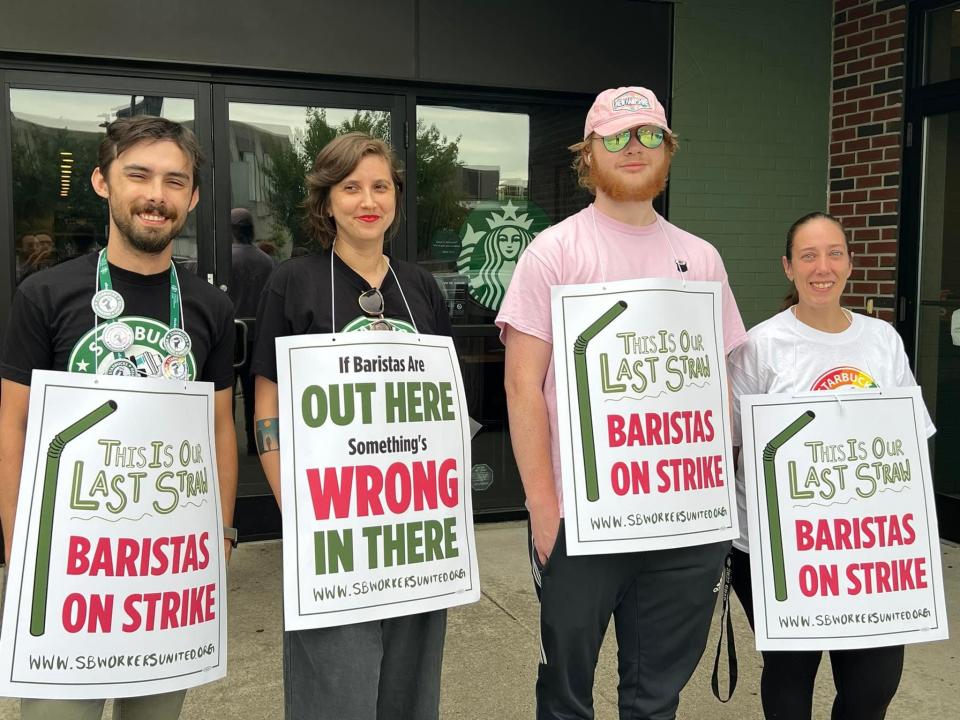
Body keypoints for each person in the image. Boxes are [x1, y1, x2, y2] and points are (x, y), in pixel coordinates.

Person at [496, 86, 748, 719]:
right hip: (584, 521)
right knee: (565, 695)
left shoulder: (702, 258)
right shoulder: (554, 252)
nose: (632, 149)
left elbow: (716, 385)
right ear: (589, 155)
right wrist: (543, 506)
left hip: (683, 520)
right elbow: (522, 386)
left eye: (647, 135)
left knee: (655, 697)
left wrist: (721, 504)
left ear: (667, 151)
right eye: (615, 137)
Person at [0, 116, 238, 720]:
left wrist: (224, 534)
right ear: (103, 183)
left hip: (166, 579)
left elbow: (217, 430)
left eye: (174, 180)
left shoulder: (210, 306)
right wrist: (18, 550)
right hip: (68, 574)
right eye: (139, 175)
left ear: (193, 197)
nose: (156, 195)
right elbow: (15, 427)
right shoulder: (46, 295)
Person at [251, 132, 452, 720]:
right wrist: (298, 507)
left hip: (412, 529)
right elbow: (267, 408)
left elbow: (441, 408)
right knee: (334, 691)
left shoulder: (420, 288)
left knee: (411, 692)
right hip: (333, 532)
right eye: (351, 187)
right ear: (327, 200)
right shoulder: (294, 281)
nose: (368, 200)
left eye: (380, 186)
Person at [728, 211, 935, 720]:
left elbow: (910, 435)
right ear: (788, 267)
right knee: (790, 676)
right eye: (809, 255)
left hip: (870, 548)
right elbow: (727, 442)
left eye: (834, 253)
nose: (823, 267)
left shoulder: (882, 339)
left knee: (873, 686)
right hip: (777, 548)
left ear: (849, 263)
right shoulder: (760, 345)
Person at [228, 207, 273, 454]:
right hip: (257, 336)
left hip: (229, 338)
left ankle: (228, 445)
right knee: (254, 396)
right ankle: (256, 446)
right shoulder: (267, 261)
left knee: (225, 397)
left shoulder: (223, 259)